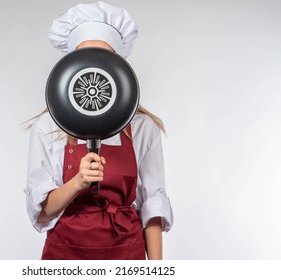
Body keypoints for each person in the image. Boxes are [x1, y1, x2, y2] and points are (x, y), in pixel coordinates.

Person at [24, 1, 173, 260]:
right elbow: (42, 212)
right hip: (66, 255)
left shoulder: (142, 128)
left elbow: (153, 205)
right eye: (85, 57)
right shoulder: (47, 127)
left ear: (117, 67)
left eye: (103, 58)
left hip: (126, 253)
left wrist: (156, 271)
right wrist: (78, 182)